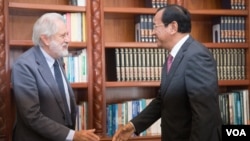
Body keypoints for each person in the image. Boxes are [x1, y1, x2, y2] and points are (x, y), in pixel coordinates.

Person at [112, 4, 222, 141]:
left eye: (155, 26)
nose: (152, 32)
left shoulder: (196, 56)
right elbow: (163, 100)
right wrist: (132, 126)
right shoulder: (173, 57)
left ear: (173, 27)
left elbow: (205, 116)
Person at [11, 13, 100, 141]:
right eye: (63, 35)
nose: (68, 40)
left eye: (67, 34)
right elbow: (31, 116)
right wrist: (72, 135)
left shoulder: (58, 60)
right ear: (45, 39)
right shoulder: (24, 66)